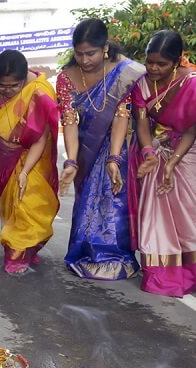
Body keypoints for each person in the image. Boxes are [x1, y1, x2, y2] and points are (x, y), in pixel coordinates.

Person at [128, 30, 196, 297]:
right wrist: (149, 152)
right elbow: (141, 123)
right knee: (157, 213)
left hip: (188, 153)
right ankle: (160, 271)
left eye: (162, 64)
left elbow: (190, 132)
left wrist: (171, 165)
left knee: (191, 213)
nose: (154, 69)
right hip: (156, 151)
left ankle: (193, 271)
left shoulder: (194, 83)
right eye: (149, 62)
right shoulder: (142, 85)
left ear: (177, 61)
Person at [57, 18, 144, 280]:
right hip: (85, 146)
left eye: (91, 53)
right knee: (86, 202)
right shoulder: (66, 77)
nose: (84, 60)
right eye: (79, 53)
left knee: (113, 200)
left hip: (115, 144)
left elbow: (121, 115)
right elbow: (69, 121)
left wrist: (114, 158)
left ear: (105, 48)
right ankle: (85, 253)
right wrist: (72, 161)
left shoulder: (123, 72)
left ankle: (116, 256)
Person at [0, 49, 60, 275]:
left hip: (36, 156)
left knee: (30, 203)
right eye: (1, 86)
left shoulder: (40, 91)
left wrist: (24, 172)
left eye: (14, 86)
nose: (7, 91)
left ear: (25, 78)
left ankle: (21, 251)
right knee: (12, 206)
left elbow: (40, 139)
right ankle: (21, 250)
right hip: (4, 156)